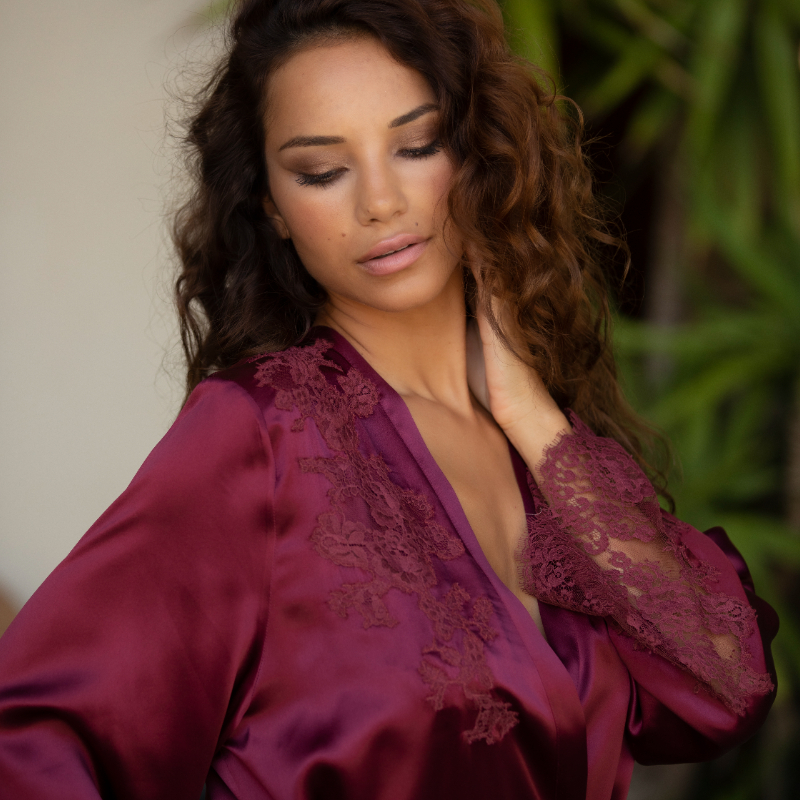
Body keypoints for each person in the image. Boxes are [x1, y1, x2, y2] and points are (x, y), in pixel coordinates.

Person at [0, 0, 778, 798]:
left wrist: (532, 418)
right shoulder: (258, 435)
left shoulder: (549, 455)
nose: (379, 201)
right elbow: (30, 745)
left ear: (476, 153)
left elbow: (726, 685)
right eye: (321, 171)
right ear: (271, 206)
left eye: (416, 145)